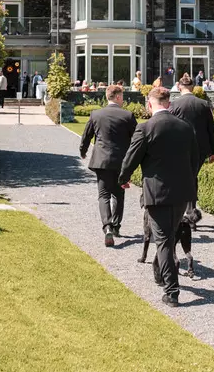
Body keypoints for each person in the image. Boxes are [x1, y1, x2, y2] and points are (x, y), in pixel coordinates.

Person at [119, 86, 199, 307]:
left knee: (163, 241)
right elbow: (195, 159)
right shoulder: (185, 127)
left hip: (157, 193)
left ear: (149, 104)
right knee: (168, 237)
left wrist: (123, 178)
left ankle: (172, 291)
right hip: (182, 193)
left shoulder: (145, 128)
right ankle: (159, 272)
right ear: (169, 104)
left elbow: (130, 158)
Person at [79, 85, 138, 247]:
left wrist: (83, 151)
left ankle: (107, 226)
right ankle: (116, 226)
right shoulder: (127, 115)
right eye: (122, 96)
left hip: (101, 160)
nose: (123, 99)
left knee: (103, 194)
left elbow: (87, 135)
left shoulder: (96, 114)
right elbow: (137, 139)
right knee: (118, 194)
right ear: (117, 97)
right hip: (121, 161)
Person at [168, 75, 214, 227]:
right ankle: (191, 213)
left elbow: (168, 127)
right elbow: (211, 129)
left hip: (179, 148)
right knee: (192, 178)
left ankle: (182, 213)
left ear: (179, 87)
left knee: (181, 179)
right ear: (193, 87)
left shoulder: (175, 104)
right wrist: (213, 151)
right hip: (200, 149)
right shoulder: (203, 104)